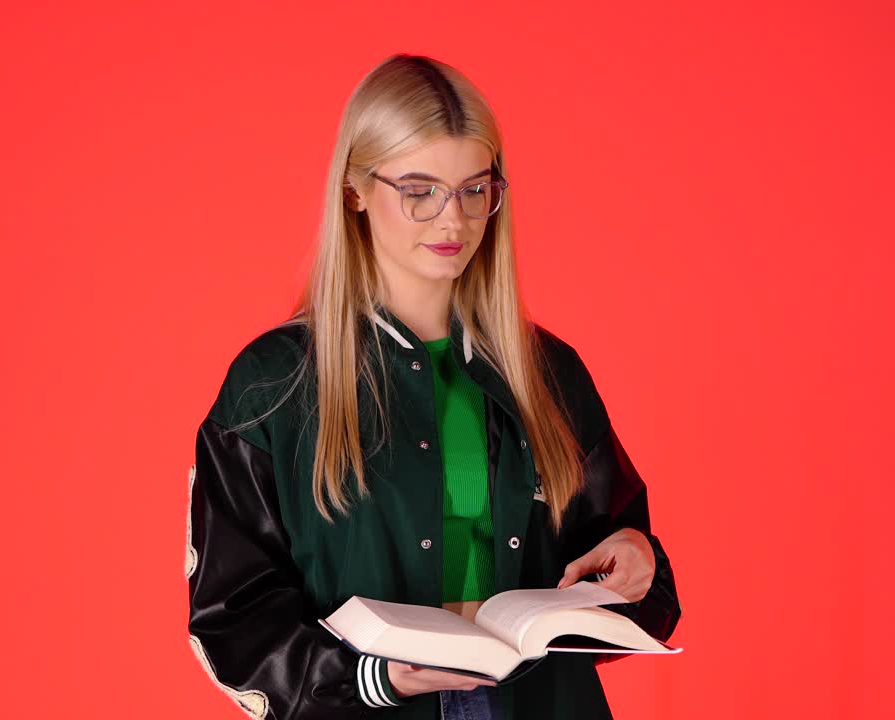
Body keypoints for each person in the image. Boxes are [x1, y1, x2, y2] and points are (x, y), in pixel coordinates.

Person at [185, 53, 681, 720]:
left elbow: (625, 574)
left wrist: (635, 560)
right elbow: (230, 617)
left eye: (476, 189)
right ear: (355, 189)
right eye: (419, 190)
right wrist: (369, 677)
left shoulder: (550, 373)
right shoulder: (273, 385)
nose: (453, 220)